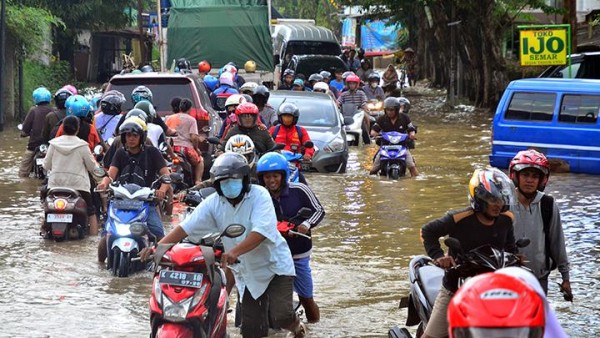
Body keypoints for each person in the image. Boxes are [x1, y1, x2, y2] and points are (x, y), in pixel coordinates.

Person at [141, 153, 307, 338]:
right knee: (251, 330)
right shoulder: (213, 203)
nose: (229, 184)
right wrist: (158, 248)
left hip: (274, 266)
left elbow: (261, 232)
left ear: (244, 179)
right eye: (223, 181)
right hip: (247, 271)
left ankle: (297, 326)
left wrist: (234, 252)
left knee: (281, 317)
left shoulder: (260, 195)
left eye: (233, 179)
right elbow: (185, 228)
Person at [420, 168, 517, 338]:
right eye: (492, 198)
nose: (497, 204)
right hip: (455, 286)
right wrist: (439, 257)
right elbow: (427, 231)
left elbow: (510, 248)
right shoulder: (459, 218)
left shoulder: (506, 220)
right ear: (479, 197)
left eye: (500, 199)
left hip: (491, 289)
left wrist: (516, 261)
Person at [256, 152, 325, 323]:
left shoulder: (300, 190)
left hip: (297, 253)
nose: (271, 180)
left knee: (306, 298)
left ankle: (314, 327)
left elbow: (319, 211)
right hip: (270, 253)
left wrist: (306, 225)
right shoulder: (259, 196)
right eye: (267, 177)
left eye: (275, 176)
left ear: (283, 176)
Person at [96, 117, 171, 262]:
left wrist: (162, 190)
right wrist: (104, 183)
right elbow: (111, 175)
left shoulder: (153, 152)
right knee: (106, 234)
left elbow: (166, 175)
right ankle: (100, 267)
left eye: (135, 135)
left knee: (159, 234)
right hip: (120, 201)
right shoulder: (120, 153)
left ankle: (162, 265)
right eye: (128, 135)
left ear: (141, 136)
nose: (131, 139)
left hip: (146, 202)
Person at [508, 149, 572, 297]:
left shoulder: (547, 204)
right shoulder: (504, 202)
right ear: (516, 176)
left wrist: (565, 277)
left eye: (534, 176)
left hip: (539, 277)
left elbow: (557, 242)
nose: (529, 180)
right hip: (507, 276)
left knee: (537, 318)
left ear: (541, 180)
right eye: (525, 175)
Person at [42, 116, 100, 235]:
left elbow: (46, 165)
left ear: (62, 128)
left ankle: (42, 231)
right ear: (77, 129)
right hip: (79, 186)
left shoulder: (53, 144)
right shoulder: (82, 145)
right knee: (91, 211)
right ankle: (93, 240)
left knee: (47, 209)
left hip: (54, 185)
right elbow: (92, 167)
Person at [369, 97, 418, 177]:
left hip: (402, 147)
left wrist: (412, 134)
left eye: (392, 110)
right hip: (385, 147)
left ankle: (417, 182)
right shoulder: (381, 119)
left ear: (397, 109)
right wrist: (374, 134)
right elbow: (374, 131)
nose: (389, 112)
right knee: (374, 169)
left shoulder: (404, 117)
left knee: (411, 165)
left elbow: (411, 129)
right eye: (387, 110)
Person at [165, 98, 205, 185]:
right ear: (190, 109)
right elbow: (194, 137)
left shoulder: (168, 118)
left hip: (170, 148)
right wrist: (196, 149)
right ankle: (198, 181)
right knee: (200, 161)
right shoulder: (191, 120)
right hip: (185, 149)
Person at [19, 87, 55, 178]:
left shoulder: (33, 110)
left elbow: (25, 128)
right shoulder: (54, 111)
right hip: (50, 146)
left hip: (33, 146)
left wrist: (24, 133)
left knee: (23, 173)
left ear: (35, 99)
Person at [338, 74, 371, 139]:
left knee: (367, 118)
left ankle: (367, 134)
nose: (351, 85)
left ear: (357, 84)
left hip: (358, 112)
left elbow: (364, 101)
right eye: (350, 84)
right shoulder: (344, 94)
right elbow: (339, 101)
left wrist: (365, 106)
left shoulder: (361, 93)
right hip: (346, 112)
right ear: (347, 84)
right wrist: (337, 104)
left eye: (353, 84)